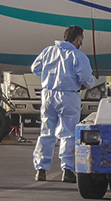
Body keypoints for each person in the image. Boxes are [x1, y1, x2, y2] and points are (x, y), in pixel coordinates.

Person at [31, 25, 98, 182]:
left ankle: (41, 168)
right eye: (81, 39)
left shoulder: (48, 51)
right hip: (68, 95)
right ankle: (67, 169)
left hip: (47, 94)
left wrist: (48, 77)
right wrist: (87, 83)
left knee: (46, 131)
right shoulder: (77, 56)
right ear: (78, 38)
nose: (81, 42)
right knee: (68, 133)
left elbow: (35, 68)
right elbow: (86, 78)